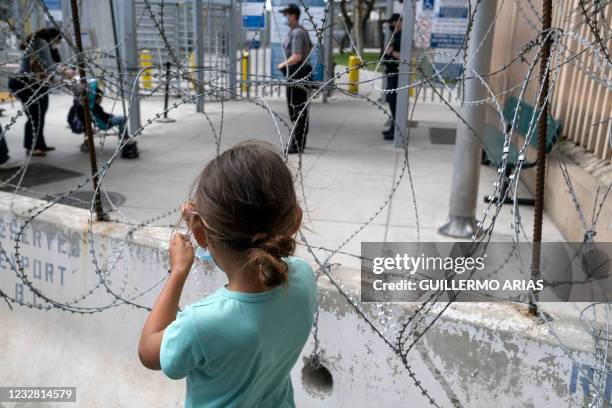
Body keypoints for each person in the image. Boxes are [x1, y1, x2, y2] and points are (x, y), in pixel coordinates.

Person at [138, 140, 318, 408]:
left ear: (200, 234)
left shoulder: (201, 323)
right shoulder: (303, 277)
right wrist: (205, 233)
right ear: (295, 220)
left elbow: (148, 351)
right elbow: (253, 254)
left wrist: (178, 270)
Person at [10, 28, 74, 156]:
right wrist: (63, 70)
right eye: (58, 41)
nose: (58, 44)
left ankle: (40, 144)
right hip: (28, 84)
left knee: (39, 115)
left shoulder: (39, 42)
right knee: (35, 116)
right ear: (53, 37)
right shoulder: (41, 43)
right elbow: (48, 65)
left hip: (35, 83)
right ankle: (32, 147)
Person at [277, 4, 313, 154]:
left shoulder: (298, 32)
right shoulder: (297, 31)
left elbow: (297, 55)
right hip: (297, 72)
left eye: (286, 15)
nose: (285, 18)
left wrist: (282, 64)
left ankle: (297, 144)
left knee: (296, 108)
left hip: (297, 73)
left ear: (293, 16)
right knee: (299, 107)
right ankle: (301, 139)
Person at [82, 81, 139, 159]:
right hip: (105, 123)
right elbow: (103, 117)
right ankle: (124, 137)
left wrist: (111, 116)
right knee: (123, 118)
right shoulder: (95, 107)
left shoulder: (93, 107)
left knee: (121, 119)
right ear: (97, 98)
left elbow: (103, 115)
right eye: (101, 97)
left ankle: (123, 137)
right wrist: (111, 117)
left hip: (105, 122)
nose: (102, 99)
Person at [382, 14, 402, 141]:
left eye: (392, 23)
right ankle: (393, 128)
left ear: (398, 22)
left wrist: (390, 52)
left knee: (394, 102)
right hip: (391, 73)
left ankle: (396, 131)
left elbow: (403, 55)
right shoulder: (396, 35)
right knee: (391, 100)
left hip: (396, 74)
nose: (390, 26)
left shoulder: (402, 37)